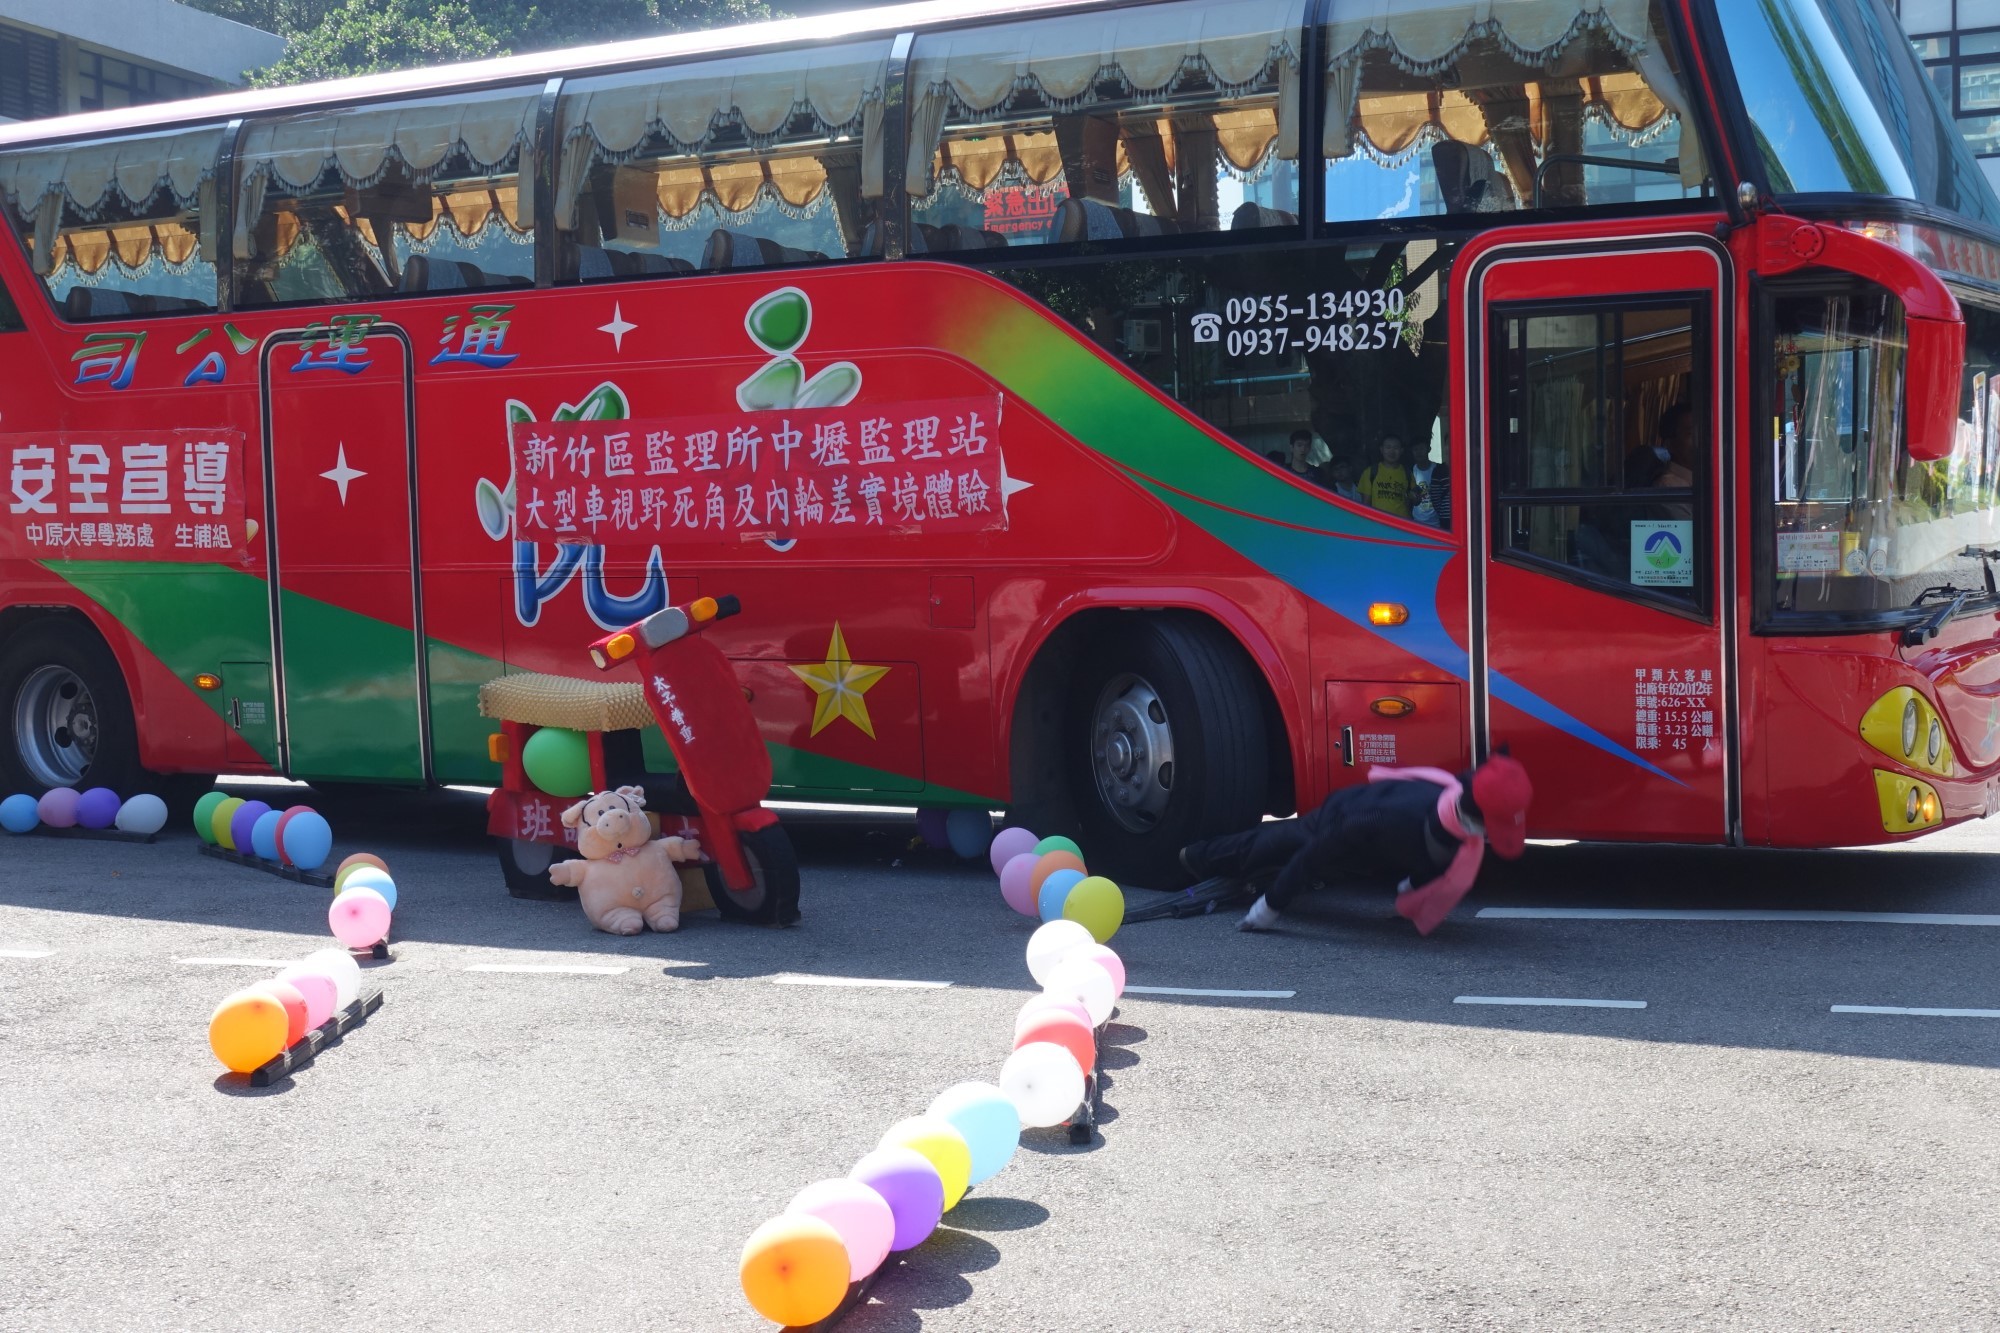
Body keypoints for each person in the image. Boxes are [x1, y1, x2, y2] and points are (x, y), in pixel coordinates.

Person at [1178, 753, 1533, 935]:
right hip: (1343, 817)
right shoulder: (1391, 819)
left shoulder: (1460, 810)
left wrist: (1411, 889)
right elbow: (1319, 851)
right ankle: (1192, 857)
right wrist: (1269, 907)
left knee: (1315, 862)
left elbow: (1439, 863)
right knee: (1273, 845)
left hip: (1378, 842)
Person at [1626, 403, 1695, 489]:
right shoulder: (1669, 485)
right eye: (1691, 434)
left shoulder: (1699, 480)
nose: (1700, 441)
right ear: (1669, 445)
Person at [1356, 434, 1414, 518]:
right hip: (1379, 523)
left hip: (1401, 523)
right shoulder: (1370, 472)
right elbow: (1366, 503)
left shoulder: (1407, 473)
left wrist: (1416, 497)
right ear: (1381, 449)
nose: (1392, 451)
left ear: (1401, 450)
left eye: (1396, 448)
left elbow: (1414, 501)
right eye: (1388, 447)